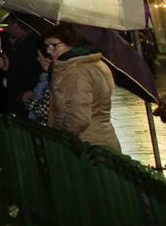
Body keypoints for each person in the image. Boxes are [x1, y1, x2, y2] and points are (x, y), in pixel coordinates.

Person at [42, 24, 121, 152]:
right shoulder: (92, 63)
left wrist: (59, 138)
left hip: (87, 148)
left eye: (54, 45)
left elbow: (78, 119)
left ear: (71, 43)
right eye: (47, 46)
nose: (49, 51)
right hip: (100, 141)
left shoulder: (77, 71)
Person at [3, 17, 43, 118]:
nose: (7, 27)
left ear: (19, 25)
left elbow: (26, 72)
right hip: (19, 97)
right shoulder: (20, 43)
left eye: (10, 23)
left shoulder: (31, 44)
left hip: (24, 98)